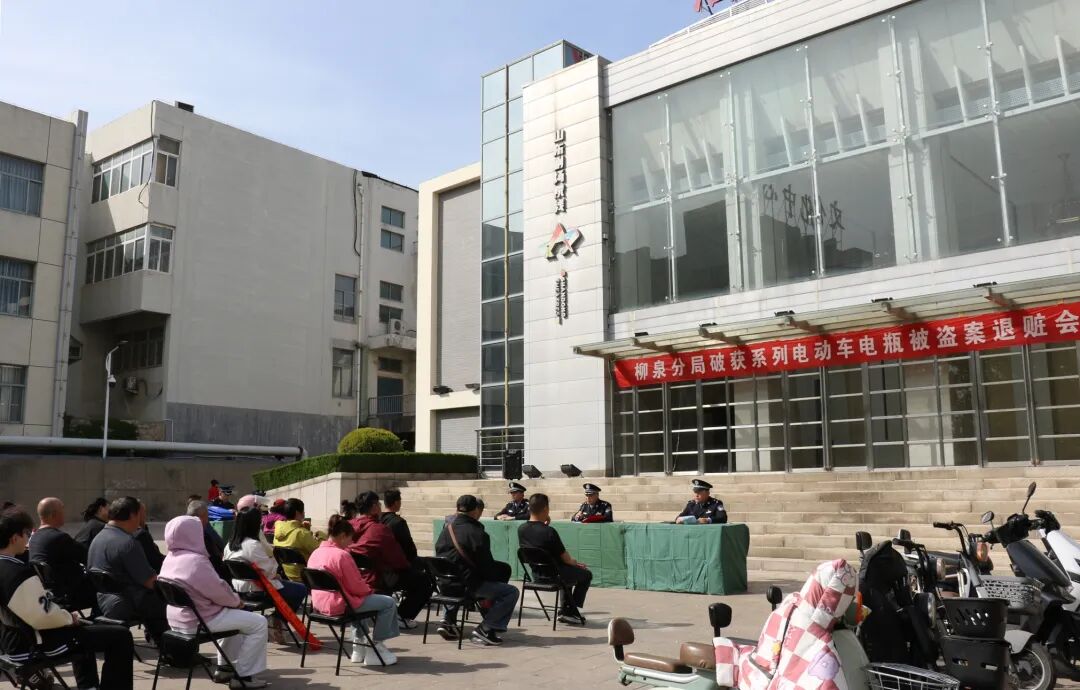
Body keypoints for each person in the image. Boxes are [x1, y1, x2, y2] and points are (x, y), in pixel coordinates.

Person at [0, 505, 135, 690]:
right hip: (34, 645)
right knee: (121, 636)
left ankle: (88, 686)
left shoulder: (9, 568)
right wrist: (68, 618)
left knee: (87, 631)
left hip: (12, 641)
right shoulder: (17, 573)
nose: (28, 538)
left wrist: (64, 616)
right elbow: (42, 617)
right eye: (26, 534)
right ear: (14, 538)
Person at [160, 515, 269, 689]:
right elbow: (218, 591)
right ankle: (245, 677)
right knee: (259, 623)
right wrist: (237, 602)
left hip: (178, 619)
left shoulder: (170, 558)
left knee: (238, 619)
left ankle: (225, 668)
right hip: (200, 619)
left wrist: (233, 604)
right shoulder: (195, 561)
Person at [307, 515, 400, 666]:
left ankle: (358, 646)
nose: (351, 542)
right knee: (389, 603)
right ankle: (376, 646)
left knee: (358, 601)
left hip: (319, 604)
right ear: (343, 536)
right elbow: (357, 587)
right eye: (351, 538)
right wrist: (369, 590)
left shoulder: (315, 553)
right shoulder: (342, 555)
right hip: (341, 605)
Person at [434, 495, 519, 646]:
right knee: (511, 592)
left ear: (457, 509)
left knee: (458, 574)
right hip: (468, 587)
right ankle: (486, 628)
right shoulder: (477, 533)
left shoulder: (446, 529)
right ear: (475, 510)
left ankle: (448, 621)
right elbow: (486, 567)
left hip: (444, 584)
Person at [86, 496, 169, 644]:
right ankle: (173, 650)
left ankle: (163, 644)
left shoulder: (98, 538)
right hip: (126, 603)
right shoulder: (128, 543)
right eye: (140, 515)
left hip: (103, 601)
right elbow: (150, 582)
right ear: (132, 515)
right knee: (174, 601)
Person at [224, 507, 308, 644]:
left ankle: (275, 622)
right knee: (300, 589)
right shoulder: (253, 545)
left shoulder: (229, 546)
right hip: (259, 590)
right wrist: (274, 565)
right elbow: (270, 570)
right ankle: (277, 620)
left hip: (239, 589)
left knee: (290, 588)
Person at [348, 491, 431, 627]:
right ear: (374, 506)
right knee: (424, 581)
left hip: (353, 577)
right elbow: (398, 559)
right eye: (378, 504)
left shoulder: (348, 526)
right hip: (377, 578)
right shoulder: (379, 529)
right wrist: (408, 566)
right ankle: (402, 616)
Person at [519, 493, 592, 625]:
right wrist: (576, 563)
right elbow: (566, 559)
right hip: (554, 576)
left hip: (536, 575)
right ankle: (570, 611)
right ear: (546, 508)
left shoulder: (521, 529)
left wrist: (545, 525)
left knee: (567, 572)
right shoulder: (549, 532)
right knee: (586, 574)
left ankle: (566, 610)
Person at [28, 497, 97, 612]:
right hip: (69, 593)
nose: (64, 514)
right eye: (62, 511)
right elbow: (87, 556)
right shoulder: (59, 538)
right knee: (102, 583)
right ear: (53, 515)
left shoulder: (35, 537)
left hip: (50, 590)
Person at [273, 498, 320, 582]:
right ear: (298, 513)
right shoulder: (301, 533)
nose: (304, 513)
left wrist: (305, 530)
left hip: (287, 575)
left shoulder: (277, 532)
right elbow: (319, 552)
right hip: (305, 577)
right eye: (303, 511)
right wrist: (321, 537)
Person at [187, 500, 230, 580]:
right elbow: (218, 549)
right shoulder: (205, 534)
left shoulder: (183, 531)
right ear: (202, 517)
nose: (207, 520)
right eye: (207, 516)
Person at [380, 488, 418, 563]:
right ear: (396, 502)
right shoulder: (399, 522)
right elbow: (409, 547)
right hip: (397, 564)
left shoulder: (377, 520)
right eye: (400, 501)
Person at [133, 500, 165, 572]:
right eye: (143, 512)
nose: (145, 515)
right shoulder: (141, 535)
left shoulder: (141, 531)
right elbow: (156, 561)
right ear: (136, 514)